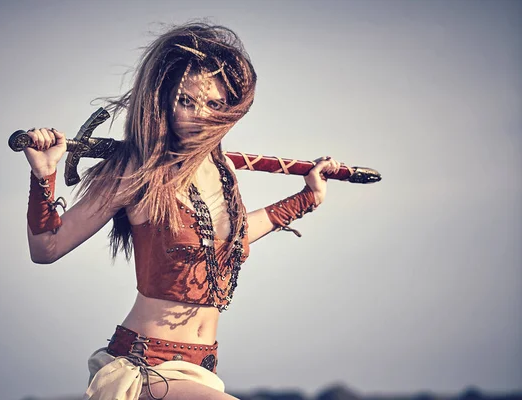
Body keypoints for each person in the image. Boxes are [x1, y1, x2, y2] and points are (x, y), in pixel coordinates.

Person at [23, 22, 341, 400]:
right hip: (144, 367)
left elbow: (230, 239)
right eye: (186, 101)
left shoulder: (223, 172)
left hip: (202, 372)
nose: (197, 116)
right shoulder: (135, 171)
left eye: (214, 105)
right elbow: (46, 248)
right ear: (165, 101)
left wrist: (306, 199)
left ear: (229, 110)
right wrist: (43, 176)